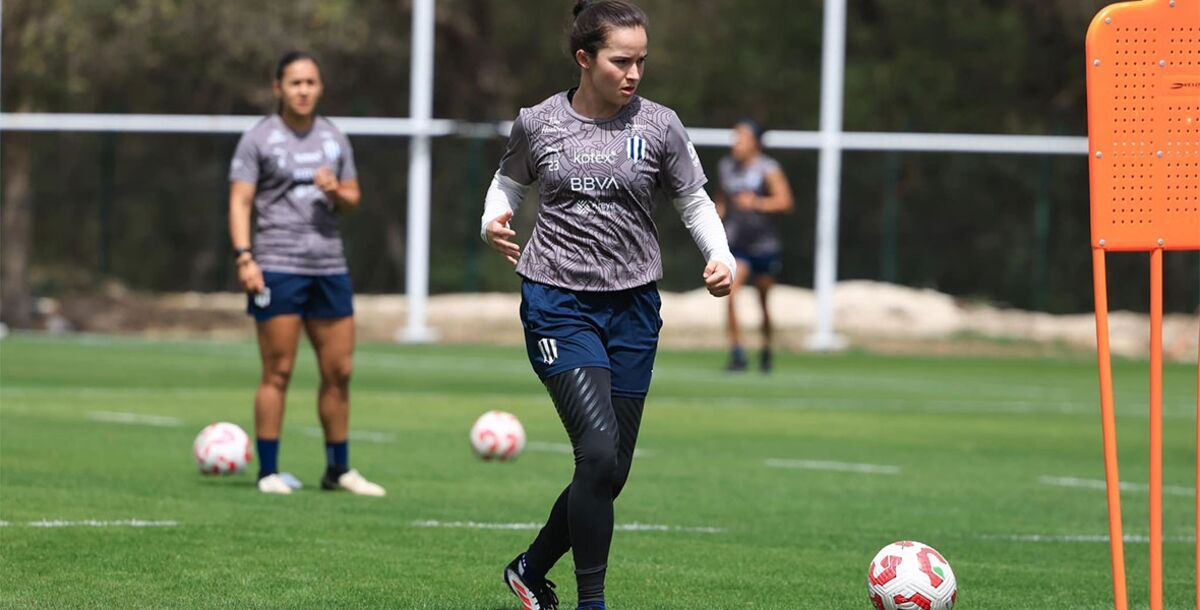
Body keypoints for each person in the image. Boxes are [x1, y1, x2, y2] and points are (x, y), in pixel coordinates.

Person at [480, 2, 735, 608]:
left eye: (641, 61)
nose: (634, 74)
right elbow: (509, 181)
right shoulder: (538, 122)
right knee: (594, 451)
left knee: (610, 471)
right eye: (621, 61)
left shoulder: (660, 126)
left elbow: (694, 201)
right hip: (557, 300)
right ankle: (591, 602)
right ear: (584, 59)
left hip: (634, 310)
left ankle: (530, 568)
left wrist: (720, 257)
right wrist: (492, 217)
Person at [227, 51, 384, 497]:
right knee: (278, 369)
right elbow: (240, 201)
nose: (303, 90)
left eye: (311, 83)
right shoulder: (259, 139)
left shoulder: (334, 138)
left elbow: (354, 197)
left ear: (320, 88)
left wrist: (338, 190)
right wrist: (245, 257)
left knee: (340, 370)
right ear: (278, 88)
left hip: (330, 266)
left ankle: (338, 469)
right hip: (277, 265)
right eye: (295, 83)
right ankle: (269, 471)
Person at [714, 119, 794, 373]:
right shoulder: (726, 167)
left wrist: (757, 203)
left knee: (763, 301)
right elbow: (722, 200)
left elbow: (785, 202)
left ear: (755, 143)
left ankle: (767, 348)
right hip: (737, 243)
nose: (736, 143)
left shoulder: (768, 169)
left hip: (764, 245)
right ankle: (738, 352)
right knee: (730, 294)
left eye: (741, 138)